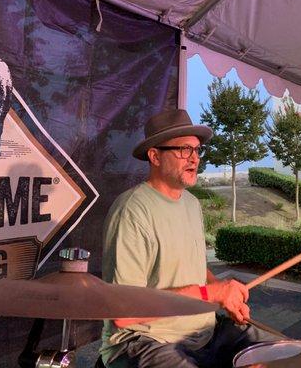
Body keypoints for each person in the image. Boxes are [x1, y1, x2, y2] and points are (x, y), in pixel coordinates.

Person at [100, 109, 281, 368]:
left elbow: (189, 264)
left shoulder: (192, 203)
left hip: (205, 332)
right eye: (184, 150)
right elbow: (125, 314)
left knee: (289, 354)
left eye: (197, 150)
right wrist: (212, 293)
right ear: (155, 156)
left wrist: (220, 288)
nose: (194, 158)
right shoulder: (132, 210)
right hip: (147, 340)